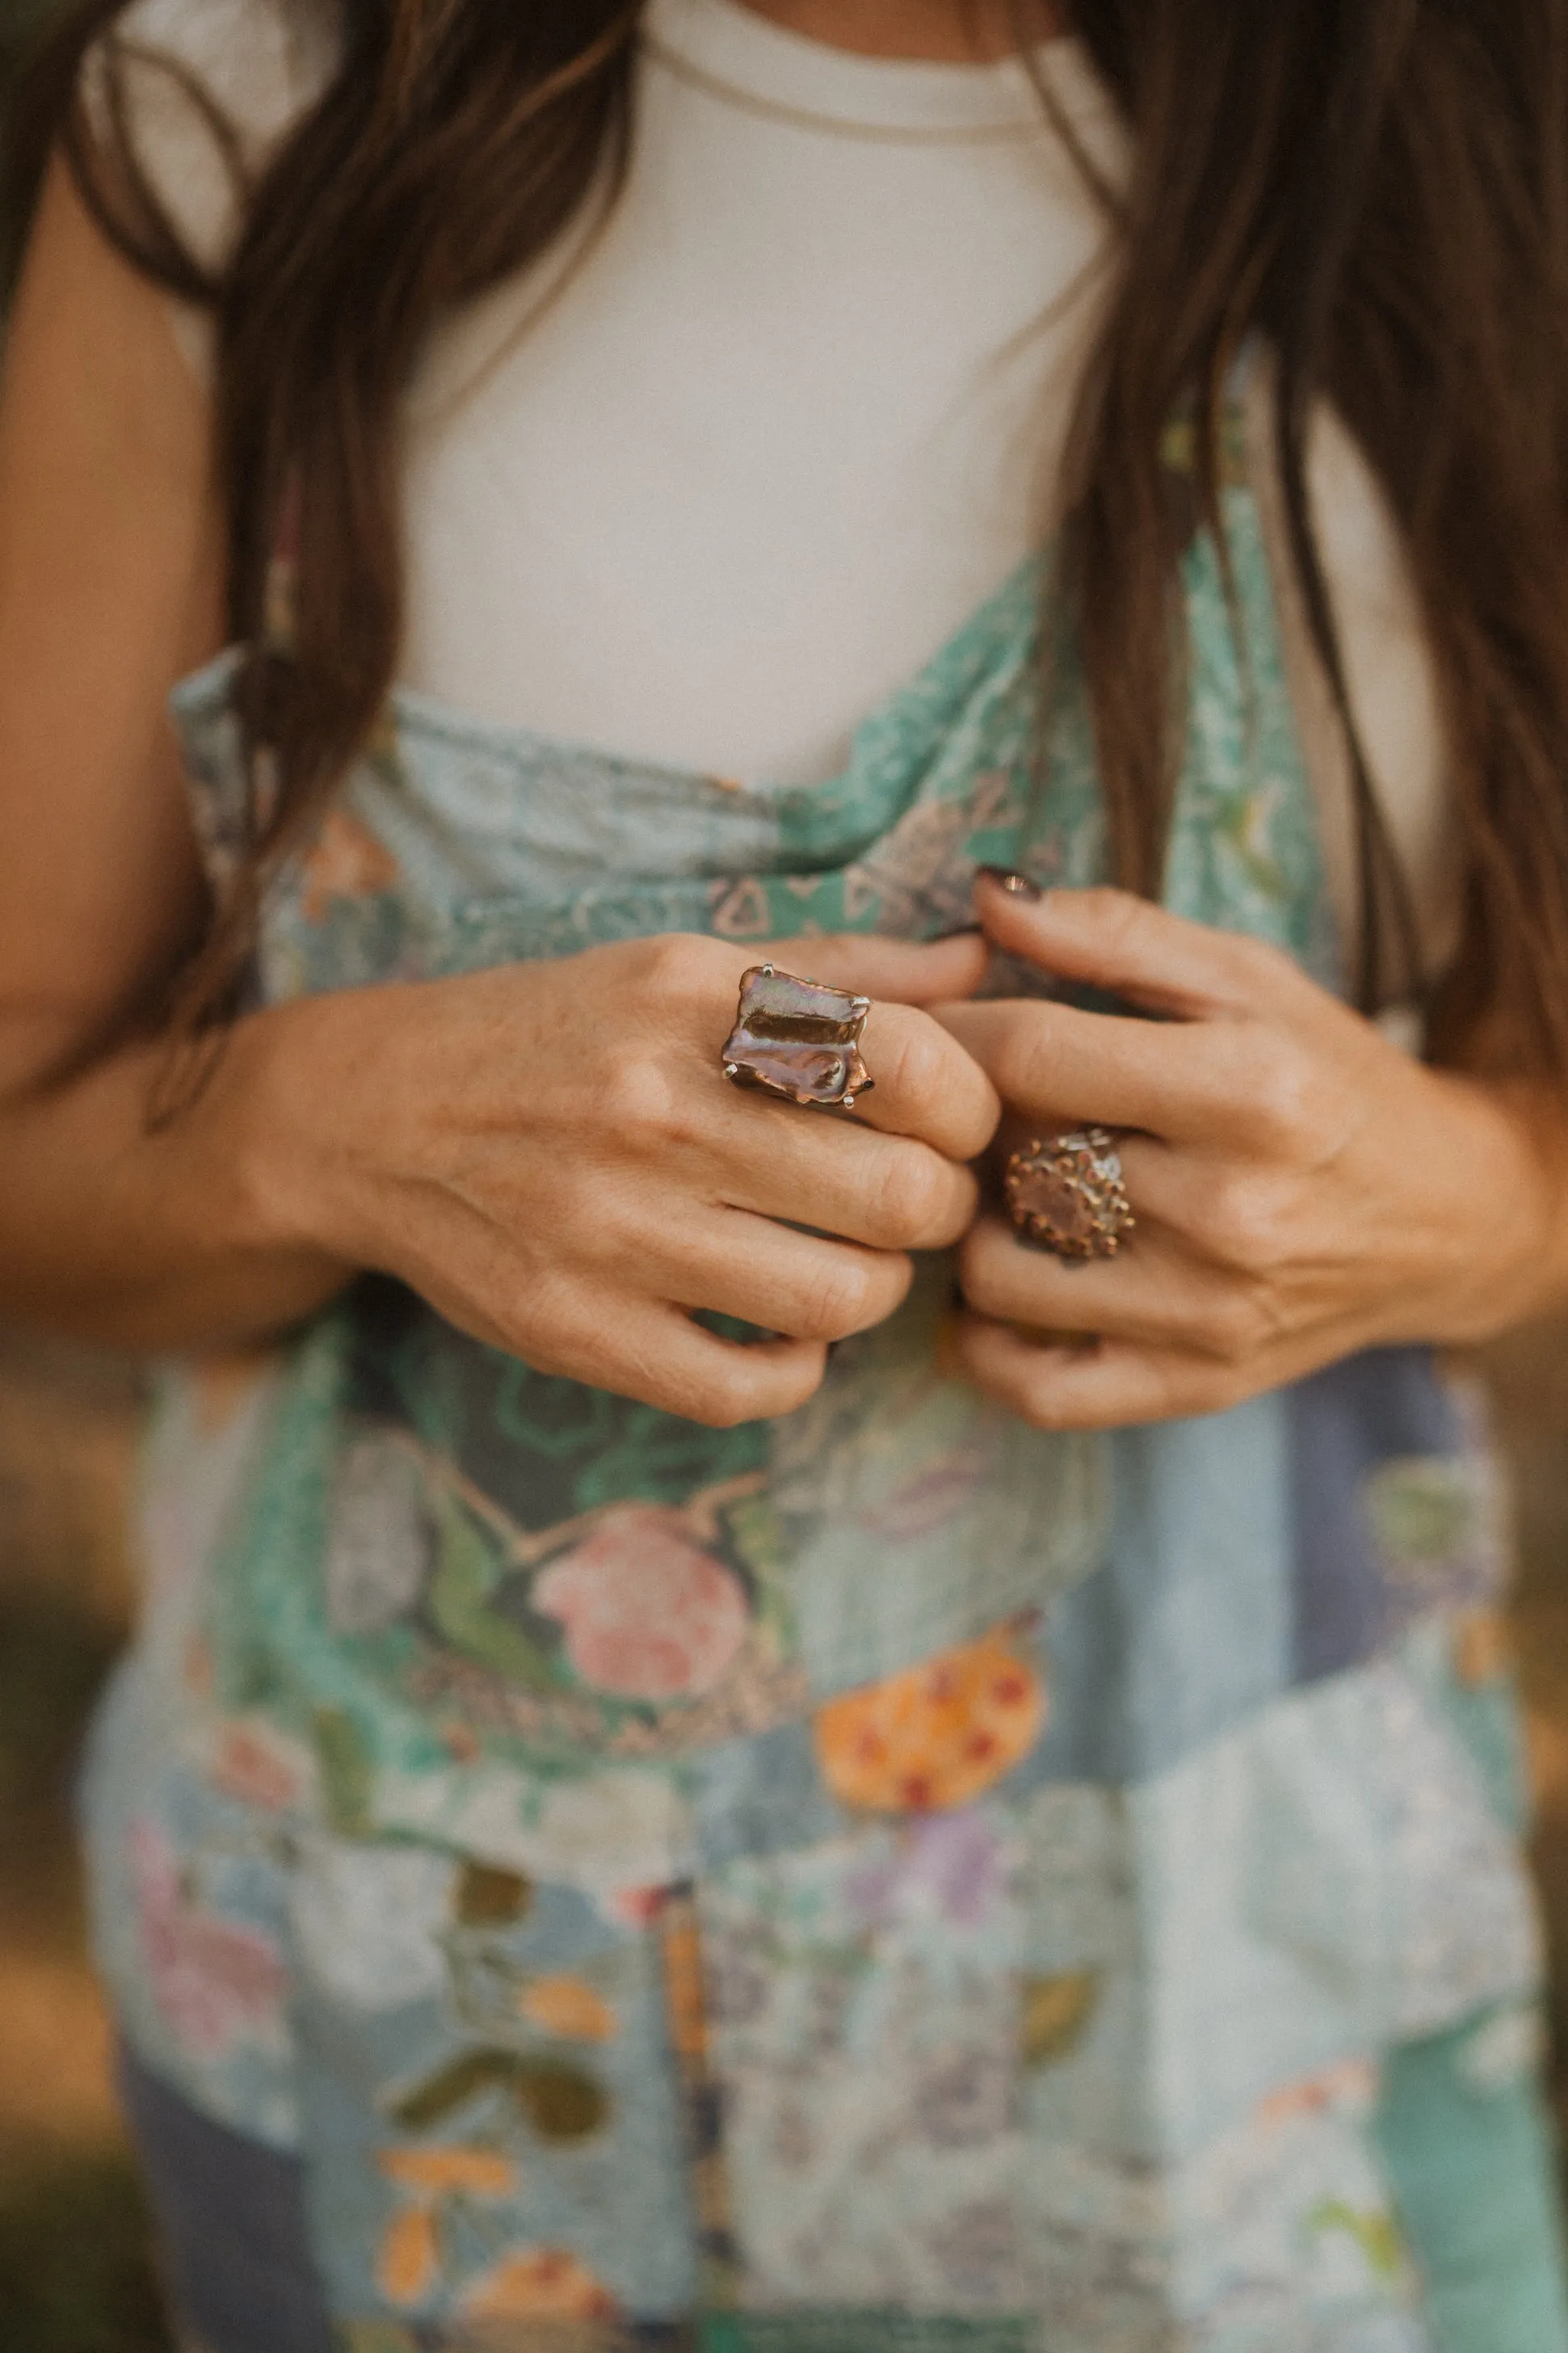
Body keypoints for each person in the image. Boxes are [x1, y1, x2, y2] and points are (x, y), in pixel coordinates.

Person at [4, 0, 1568, 2343]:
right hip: (443, 2065)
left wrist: (1470, 1196)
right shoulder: (253, 107)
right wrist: (324, 1124)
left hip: (1261, 2041)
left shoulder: (1488, 114)